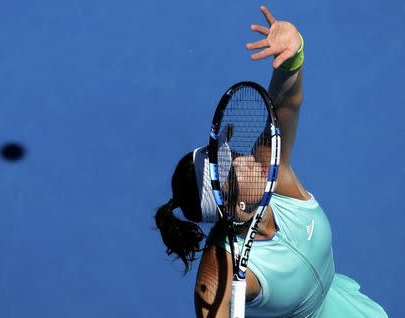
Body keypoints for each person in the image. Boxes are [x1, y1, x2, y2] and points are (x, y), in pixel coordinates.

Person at [155, 6, 388, 318]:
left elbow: (285, 102)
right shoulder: (220, 267)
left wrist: (292, 60)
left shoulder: (272, 175)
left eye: (236, 154)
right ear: (231, 206)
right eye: (234, 168)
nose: (247, 159)